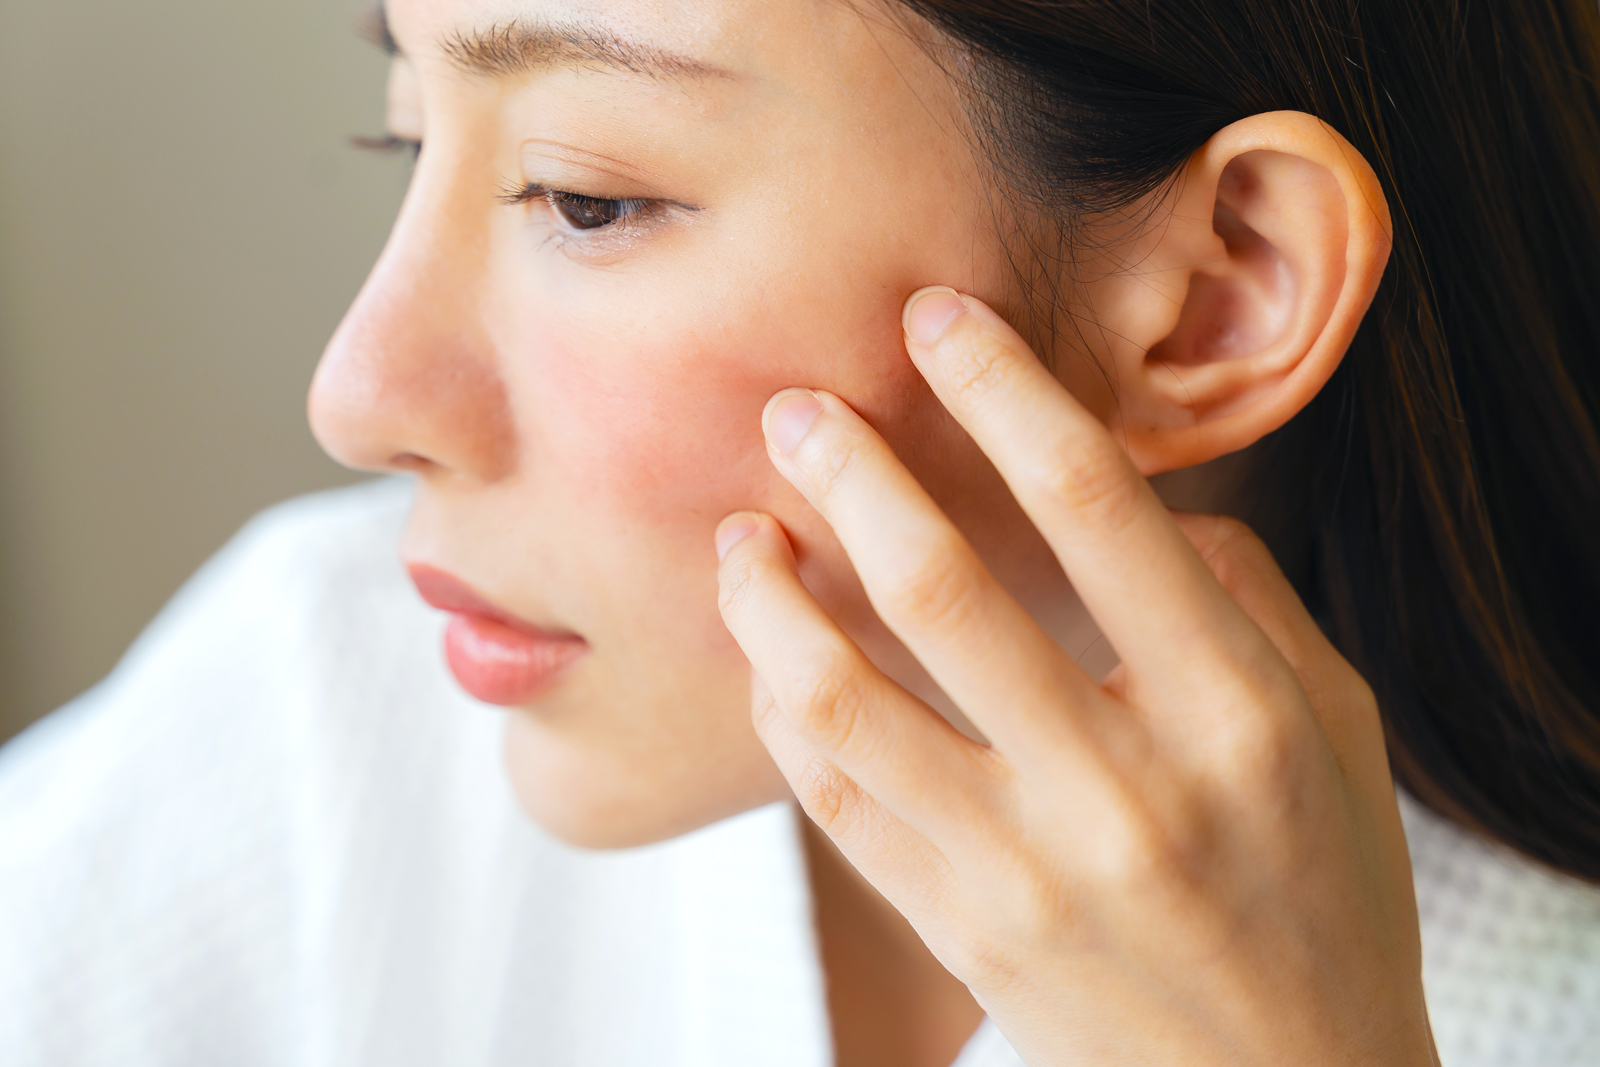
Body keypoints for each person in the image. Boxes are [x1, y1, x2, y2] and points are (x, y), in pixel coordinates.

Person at [3, 0, 1599, 1063]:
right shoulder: (327, 695)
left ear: (1219, 292)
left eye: (584, 199)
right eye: (409, 137)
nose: (358, 395)